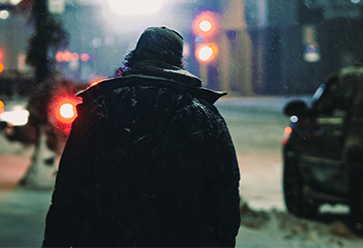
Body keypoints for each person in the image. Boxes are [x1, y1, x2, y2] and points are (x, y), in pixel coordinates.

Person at [41, 26, 241, 248]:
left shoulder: (97, 112)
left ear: (135, 57)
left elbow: (69, 194)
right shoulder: (203, 116)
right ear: (178, 62)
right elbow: (225, 194)